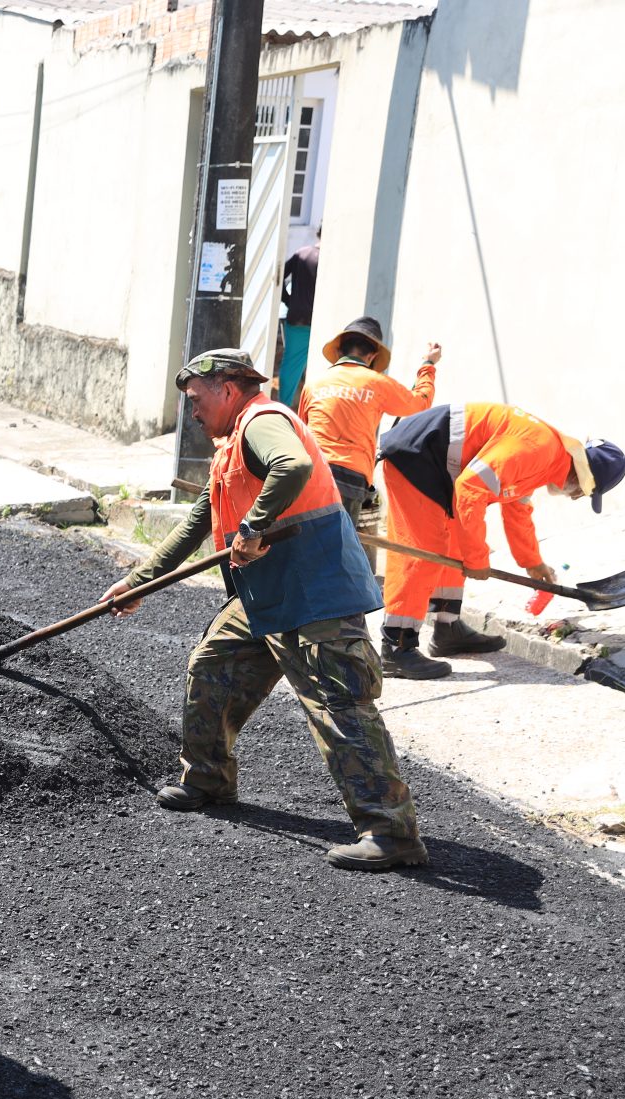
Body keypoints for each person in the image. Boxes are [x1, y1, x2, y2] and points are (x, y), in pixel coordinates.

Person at [101, 348, 425, 872]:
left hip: (314, 591)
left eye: (196, 398)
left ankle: (392, 833)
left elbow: (291, 464)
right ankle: (207, 779)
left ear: (227, 388)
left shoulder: (263, 420)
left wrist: (253, 527)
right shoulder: (230, 448)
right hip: (263, 596)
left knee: (338, 704)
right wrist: (137, 583)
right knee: (212, 666)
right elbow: (194, 526)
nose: (193, 411)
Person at [373, 403, 625, 678]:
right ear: (582, 477)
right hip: (417, 457)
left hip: (439, 466)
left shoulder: (546, 460)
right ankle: (396, 648)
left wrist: (533, 562)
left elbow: (517, 509)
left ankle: (448, 629)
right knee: (423, 551)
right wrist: (477, 560)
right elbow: (470, 489)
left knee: (455, 544)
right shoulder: (537, 450)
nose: (575, 497)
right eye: (584, 492)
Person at [297, 315, 439, 520]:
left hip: (310, 473)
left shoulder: (314, 384)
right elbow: (420, 403)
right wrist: (428, 364)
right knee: (337, 545)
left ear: (339, 351)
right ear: (372, 357)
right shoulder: (377, 383)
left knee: (303, 540)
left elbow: (302, 432)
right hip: (350, 478)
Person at [278, 230, 320, 405]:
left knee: (291, 364)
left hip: (298, 319)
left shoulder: (302, 254)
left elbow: (279, 278)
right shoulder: (331, 258)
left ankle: (283, 405)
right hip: (320, 319)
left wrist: (289, 301)